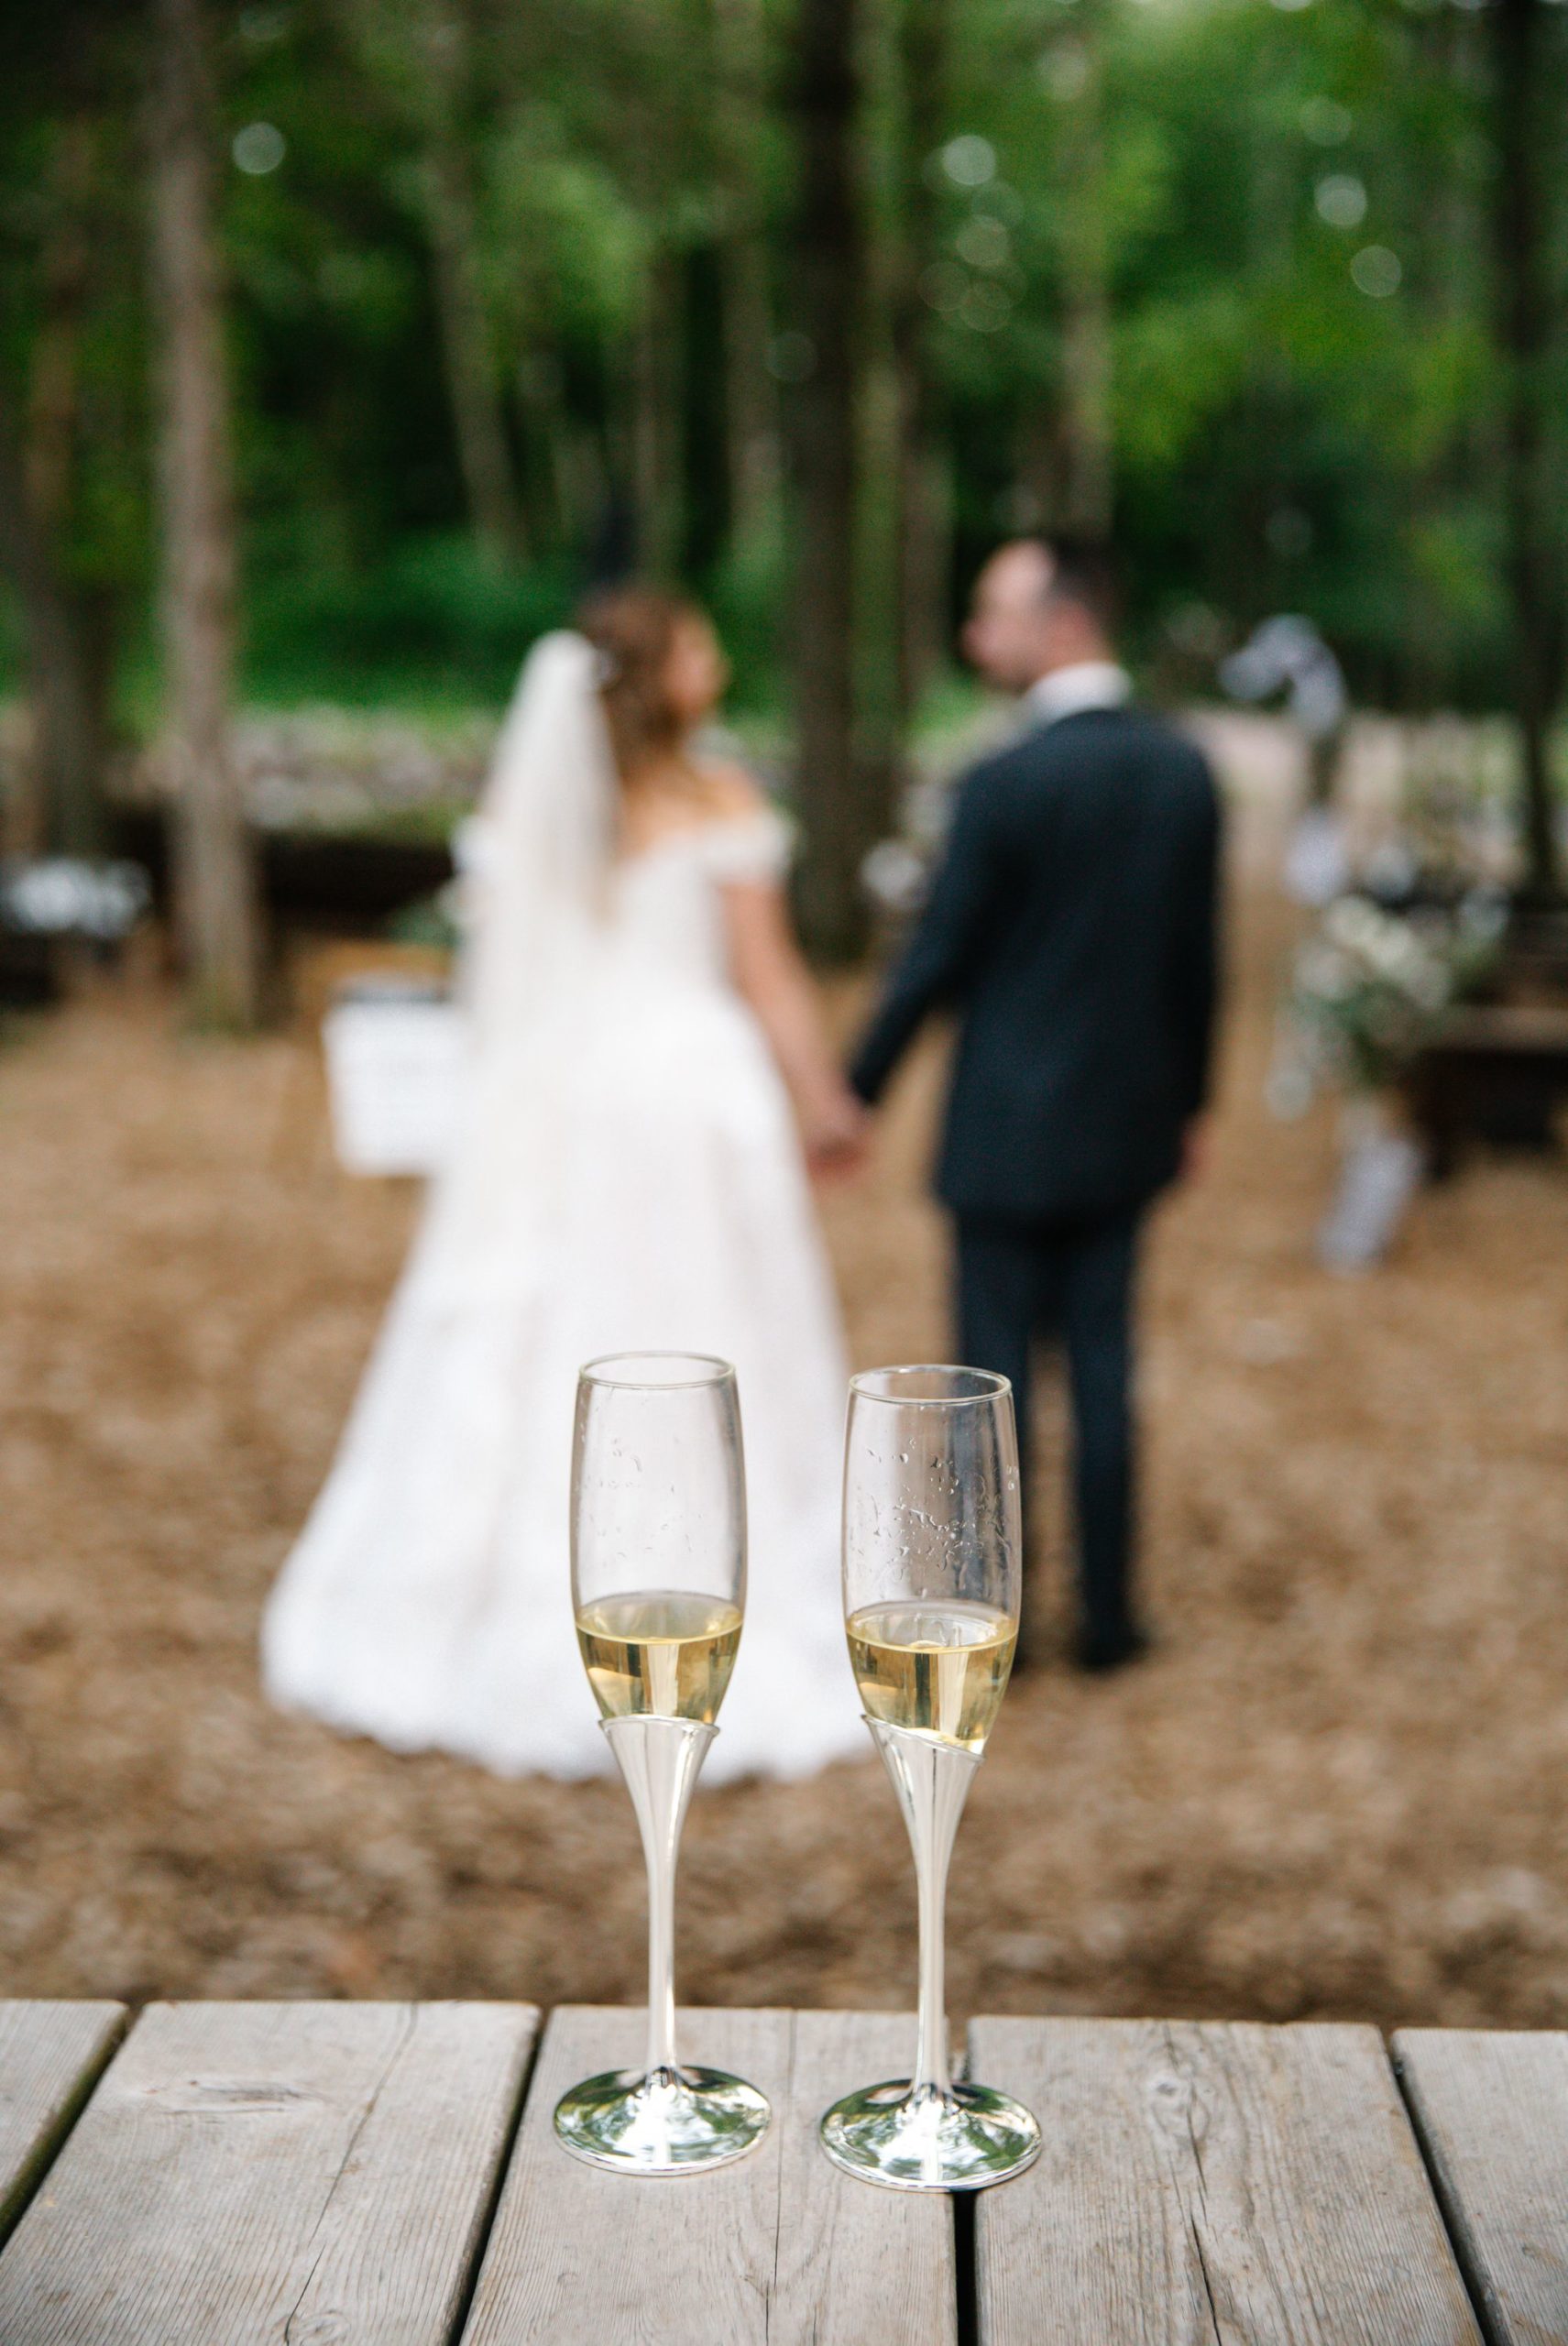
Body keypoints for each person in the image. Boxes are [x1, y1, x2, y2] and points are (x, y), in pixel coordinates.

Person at [264, 592, 869, 1781]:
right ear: (663, 682)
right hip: (687, 1101)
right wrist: (824, 1097)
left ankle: (499, 1593)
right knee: (702, 1331)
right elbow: (769, 976)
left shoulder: (533, 815)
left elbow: (504, 968)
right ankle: (690, 1595)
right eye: (700, 644)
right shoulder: (718, 806)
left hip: (563, 1102)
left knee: (549, 1333)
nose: (719, 658)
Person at [850, 536, 1222, 1673]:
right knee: (1104, 1374)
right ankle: (1108, 1621)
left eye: (992, 615)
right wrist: (1191, 1104)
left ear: (1062, 625)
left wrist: (853, 1088)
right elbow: (1197, 964)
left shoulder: (1004, 781)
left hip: (1006, 1131)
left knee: (987, 1390)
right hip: (1124, 1124)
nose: (976, 639)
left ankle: (986, 1626)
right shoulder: (1182, 769)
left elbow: (936, 959)